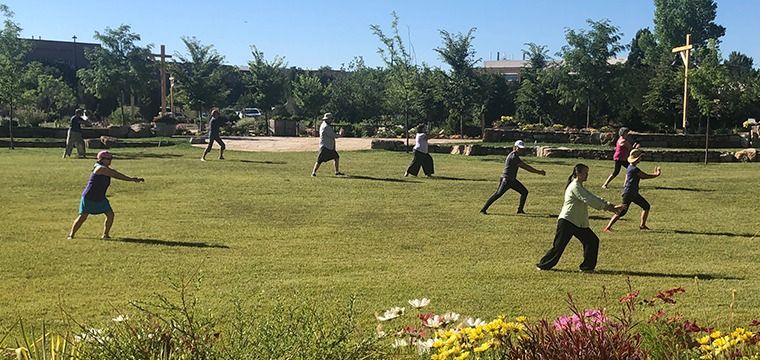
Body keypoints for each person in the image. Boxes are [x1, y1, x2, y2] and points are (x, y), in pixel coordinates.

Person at [536, 164, 625, 272]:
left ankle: (587, 267)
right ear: (578, 173)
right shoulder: (575, 187)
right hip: (567, 221)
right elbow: (589, 199)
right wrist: (609, 207)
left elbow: (592, 197)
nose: (587, 175)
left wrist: (609, 205)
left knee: (592, 241)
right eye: (585, 173)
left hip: (577, 222)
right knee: (559, 246)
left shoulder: (579, 186)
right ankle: (543, 265)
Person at [67, 150, 145, 240]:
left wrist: (132, 179)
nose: (110, 160)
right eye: (108, 159)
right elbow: (115, 174)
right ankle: (71, 235)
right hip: (90, 196)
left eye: (111, 158)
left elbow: (113, 172)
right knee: (83, 217)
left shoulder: (104, 167)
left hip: (100, 197)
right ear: (101, 159)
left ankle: (105, 235)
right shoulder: (100, 169)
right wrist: (131, 179)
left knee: (110, 215)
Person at [480, 140, 546, 215]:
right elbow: (526, 167)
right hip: (507, 180)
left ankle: (520, 210)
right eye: (519, 148)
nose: (521, 150)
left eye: (522, 148)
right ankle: (483, 209)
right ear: (515, 147)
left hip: (511, 180)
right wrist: (539, 172)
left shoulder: (514, 155)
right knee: (498, 194)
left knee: (524, 192)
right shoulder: (513, 157)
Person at [603, 149, 661, 232]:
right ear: (637, 159)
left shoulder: (630, 167)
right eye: (640, 157)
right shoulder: (634, 169)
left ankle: (642, 225)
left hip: (632, 193)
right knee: (622, 211)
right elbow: (644, 176)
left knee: (646, 206)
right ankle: (608, 227)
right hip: (630, 193)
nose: (641, 159)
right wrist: (656, 174)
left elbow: (627, 179)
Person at [311, 112, 344, 176]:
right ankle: (313, 172)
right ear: (327, 119)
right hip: (326, 146)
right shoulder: (326, 127)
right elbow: (333, 135)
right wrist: (340, 134)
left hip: (328, 146)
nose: (331, 120)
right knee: (319, 160)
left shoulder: (324, 125)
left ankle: (337, 172)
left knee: (336, 157)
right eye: (331, 119)